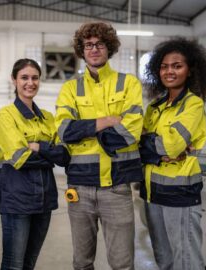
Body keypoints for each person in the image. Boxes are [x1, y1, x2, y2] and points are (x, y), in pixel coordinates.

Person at [55, 22, 144, 270]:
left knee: (122, 264)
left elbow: (131, 131)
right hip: (80, 189)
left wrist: (85, 130)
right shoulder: (70, 89)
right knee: (82, 263)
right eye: (88, 45)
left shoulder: (129, 84)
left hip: (117, 188)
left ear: (109, 47)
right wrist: (107, 122)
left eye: (99, 44)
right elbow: (64, 131)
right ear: (82, 50)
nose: (94, 49)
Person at [139, 37, 206, 270]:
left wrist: (153, 146)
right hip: (152, 193)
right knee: (164, 259)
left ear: (190, 70)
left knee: (187, 260)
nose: (169, 71)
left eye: (177, 65)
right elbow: (140, 146)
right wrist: (154, 147)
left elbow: (170, 146)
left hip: (180, 193)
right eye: (164, 66)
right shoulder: (154, 107)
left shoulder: (192, 104)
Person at [0, 58, 70, 270]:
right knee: (13, 265)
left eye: (35, 78)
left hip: (44, 201)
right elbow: (21, 159)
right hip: (16, 201)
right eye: (24, 77)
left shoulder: (47, 118)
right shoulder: (7, 115)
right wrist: (49, 154)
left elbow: (64, 156)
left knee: (29, 264)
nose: (30, 83)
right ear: (14, 80)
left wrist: (39, 147)